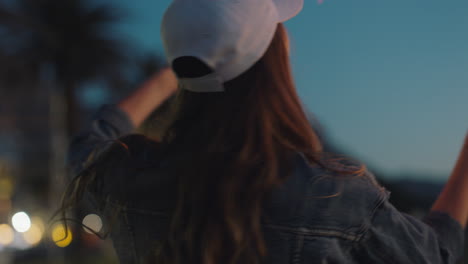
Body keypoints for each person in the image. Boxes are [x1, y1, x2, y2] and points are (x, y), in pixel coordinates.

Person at [62, 0, 466, 263]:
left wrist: (179, 70)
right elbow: (439, 252)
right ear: (271, 62)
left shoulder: (129, 174)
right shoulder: (330, 195)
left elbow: (88, 145)